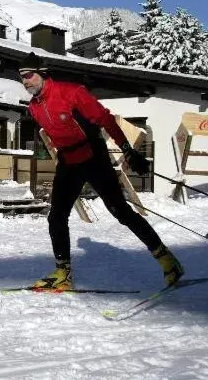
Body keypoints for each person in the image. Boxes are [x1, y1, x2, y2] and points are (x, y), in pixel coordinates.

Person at [19, 52, 183, 290]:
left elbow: (105, 119)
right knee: (56, 216)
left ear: (43, 74)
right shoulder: (34, 107)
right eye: (22, 77)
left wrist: (127, 149)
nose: (25, 81)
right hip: (69, 161)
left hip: (94, 157)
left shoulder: (72, 93)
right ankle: (63, 273)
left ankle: (168, 261)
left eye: (29, 75)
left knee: (121, 212)